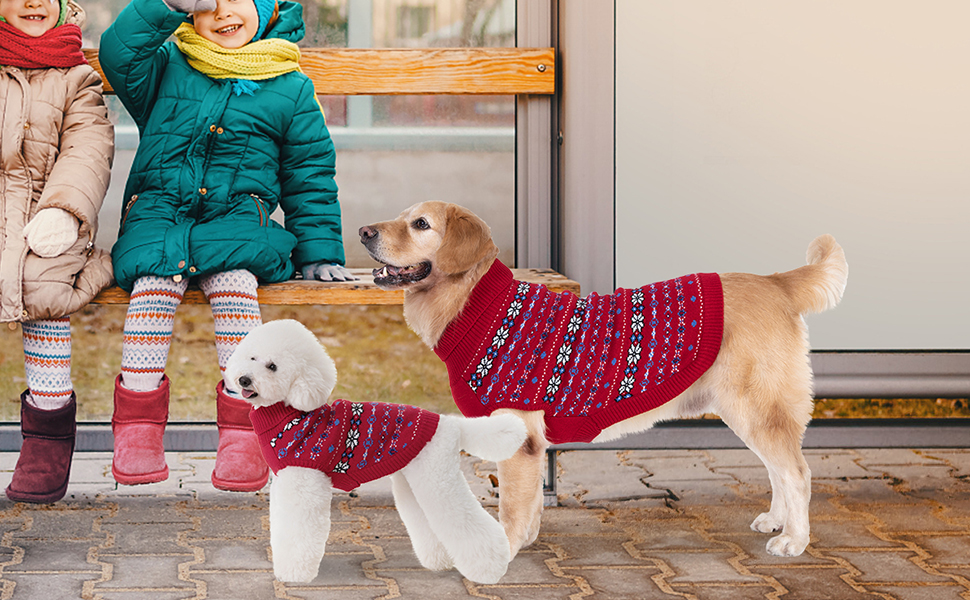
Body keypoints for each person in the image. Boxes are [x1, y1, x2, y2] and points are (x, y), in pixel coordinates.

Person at [99, 0, 355, 491]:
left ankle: (245, 426)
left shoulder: (291, 88)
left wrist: (319, 251)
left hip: (239, 224)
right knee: (154, 286)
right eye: (205, 4)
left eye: (236, 1)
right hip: (160, 218)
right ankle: (137, 426)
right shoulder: (166, 66)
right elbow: (118, 53)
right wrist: (165, 6)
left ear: (268, 9)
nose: (221, 13)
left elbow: (310, 178)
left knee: (236, 286)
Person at [0, 0, 114, 502]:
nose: (33, 2)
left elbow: (87, 149)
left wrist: (66, 211)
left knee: (43, 285)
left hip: (47, 216)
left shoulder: (75, 77)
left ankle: (47, 430)